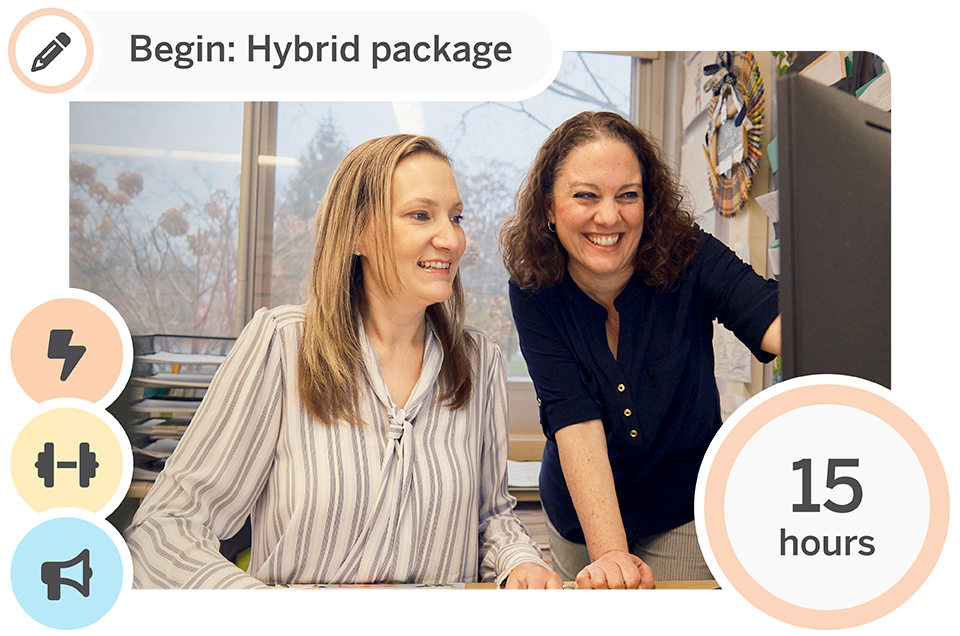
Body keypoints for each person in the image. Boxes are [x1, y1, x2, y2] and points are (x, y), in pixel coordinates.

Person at [126, 134, 562, 597]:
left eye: (455, 217)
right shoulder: (282, 344)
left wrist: (520, 560)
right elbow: (164, 529)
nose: (451, 238)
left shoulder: (480, 361)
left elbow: (490, 517)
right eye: (421, 215)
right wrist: (255, 602)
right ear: (358, 232)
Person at [499, 111, 780, 595]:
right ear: (549, 205)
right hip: (579, 510)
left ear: (648, 203)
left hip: (682, 506)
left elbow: (775, 321)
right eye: (586, 195)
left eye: (627, 195)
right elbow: (574, 419)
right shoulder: (534, 286)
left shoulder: (689, 254)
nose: (609, 217)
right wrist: (609, 555)